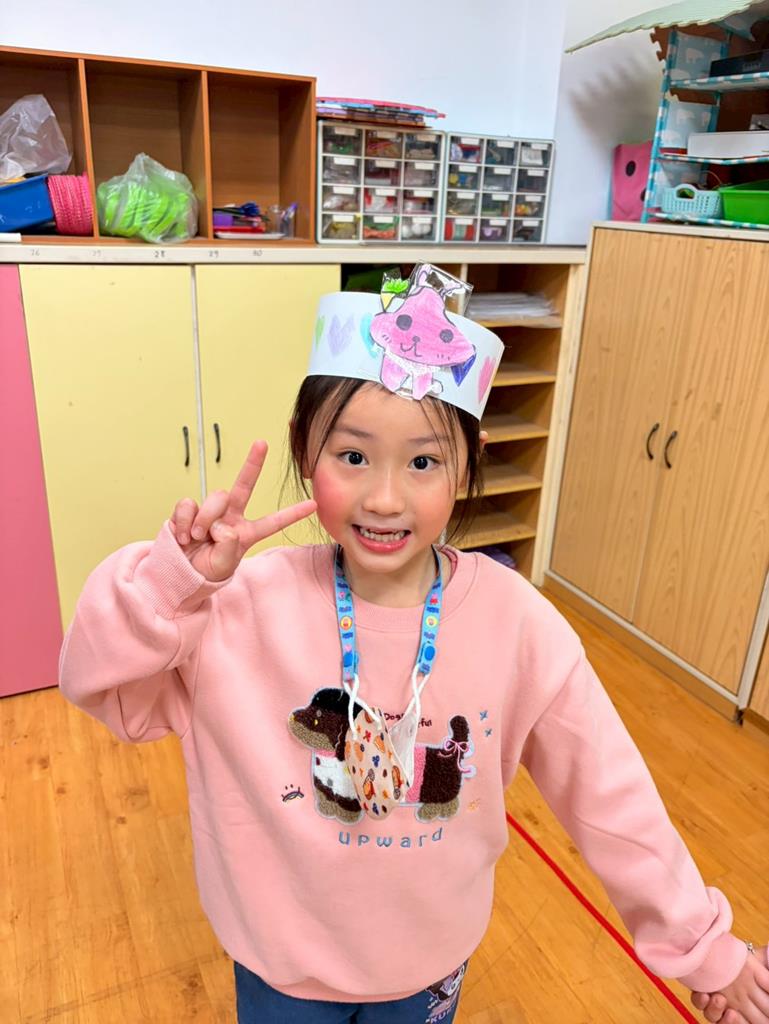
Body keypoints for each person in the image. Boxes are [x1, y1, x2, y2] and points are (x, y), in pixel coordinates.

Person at [59, 264, 767, 1024]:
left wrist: (704, 948)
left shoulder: (519, 625)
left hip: (428, 964)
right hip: (279, 966)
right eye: (352, 456)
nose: (385, 497)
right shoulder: (233, 607)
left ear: (467, 463)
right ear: (304, 450)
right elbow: (105, 690)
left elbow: (611, 797)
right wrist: (170, 585)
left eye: (423, 461)